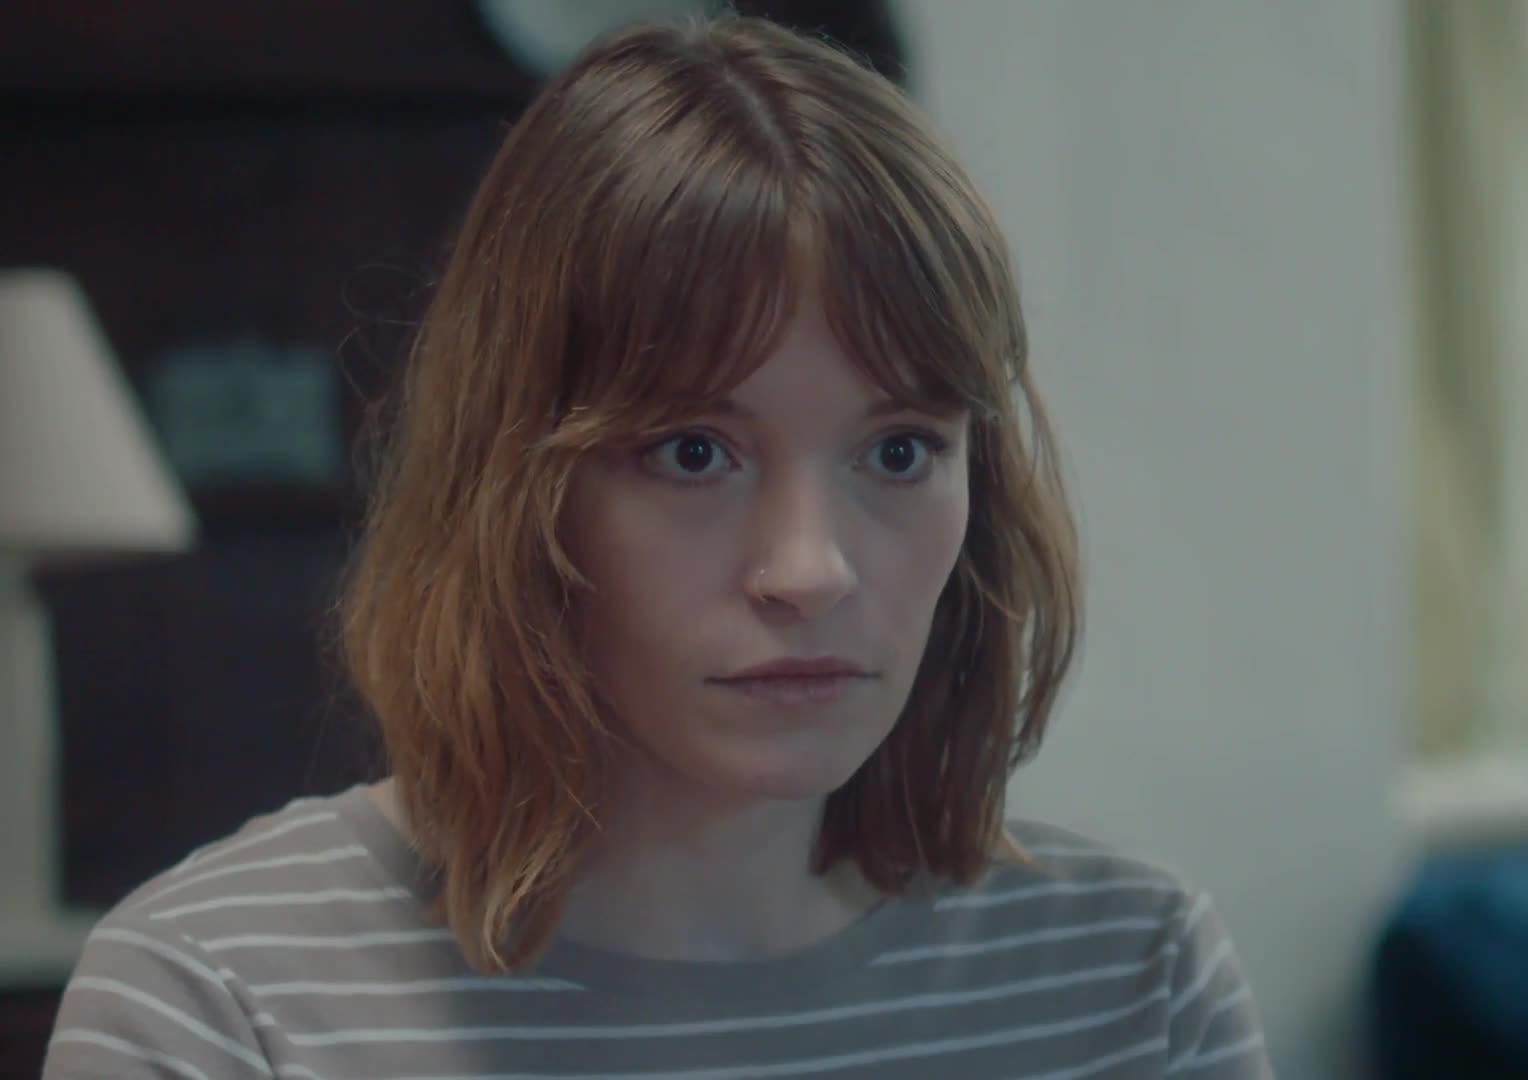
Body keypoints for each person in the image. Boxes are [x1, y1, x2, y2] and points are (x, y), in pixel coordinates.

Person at [42, 16, 1272, 1079]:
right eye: (692, 452)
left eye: (899, 451)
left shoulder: (1134, 980)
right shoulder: (218, 1002)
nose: (810, 569)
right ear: (517, 494)